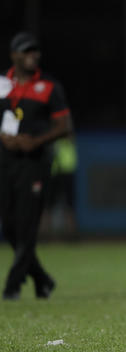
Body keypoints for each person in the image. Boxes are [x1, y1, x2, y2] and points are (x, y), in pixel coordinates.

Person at [0, 32, 72, 300]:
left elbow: (63, 126)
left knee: (28, 225)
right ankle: (42, 279)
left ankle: (12, 285)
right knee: (9, 226)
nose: (33, 55)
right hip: (6, 162)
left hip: (36, 162)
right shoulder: (1, 84)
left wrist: (36, 141)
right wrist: (4, 137)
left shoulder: (49, 87)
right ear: (13, 56)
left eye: (35, 51)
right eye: (26, 51)